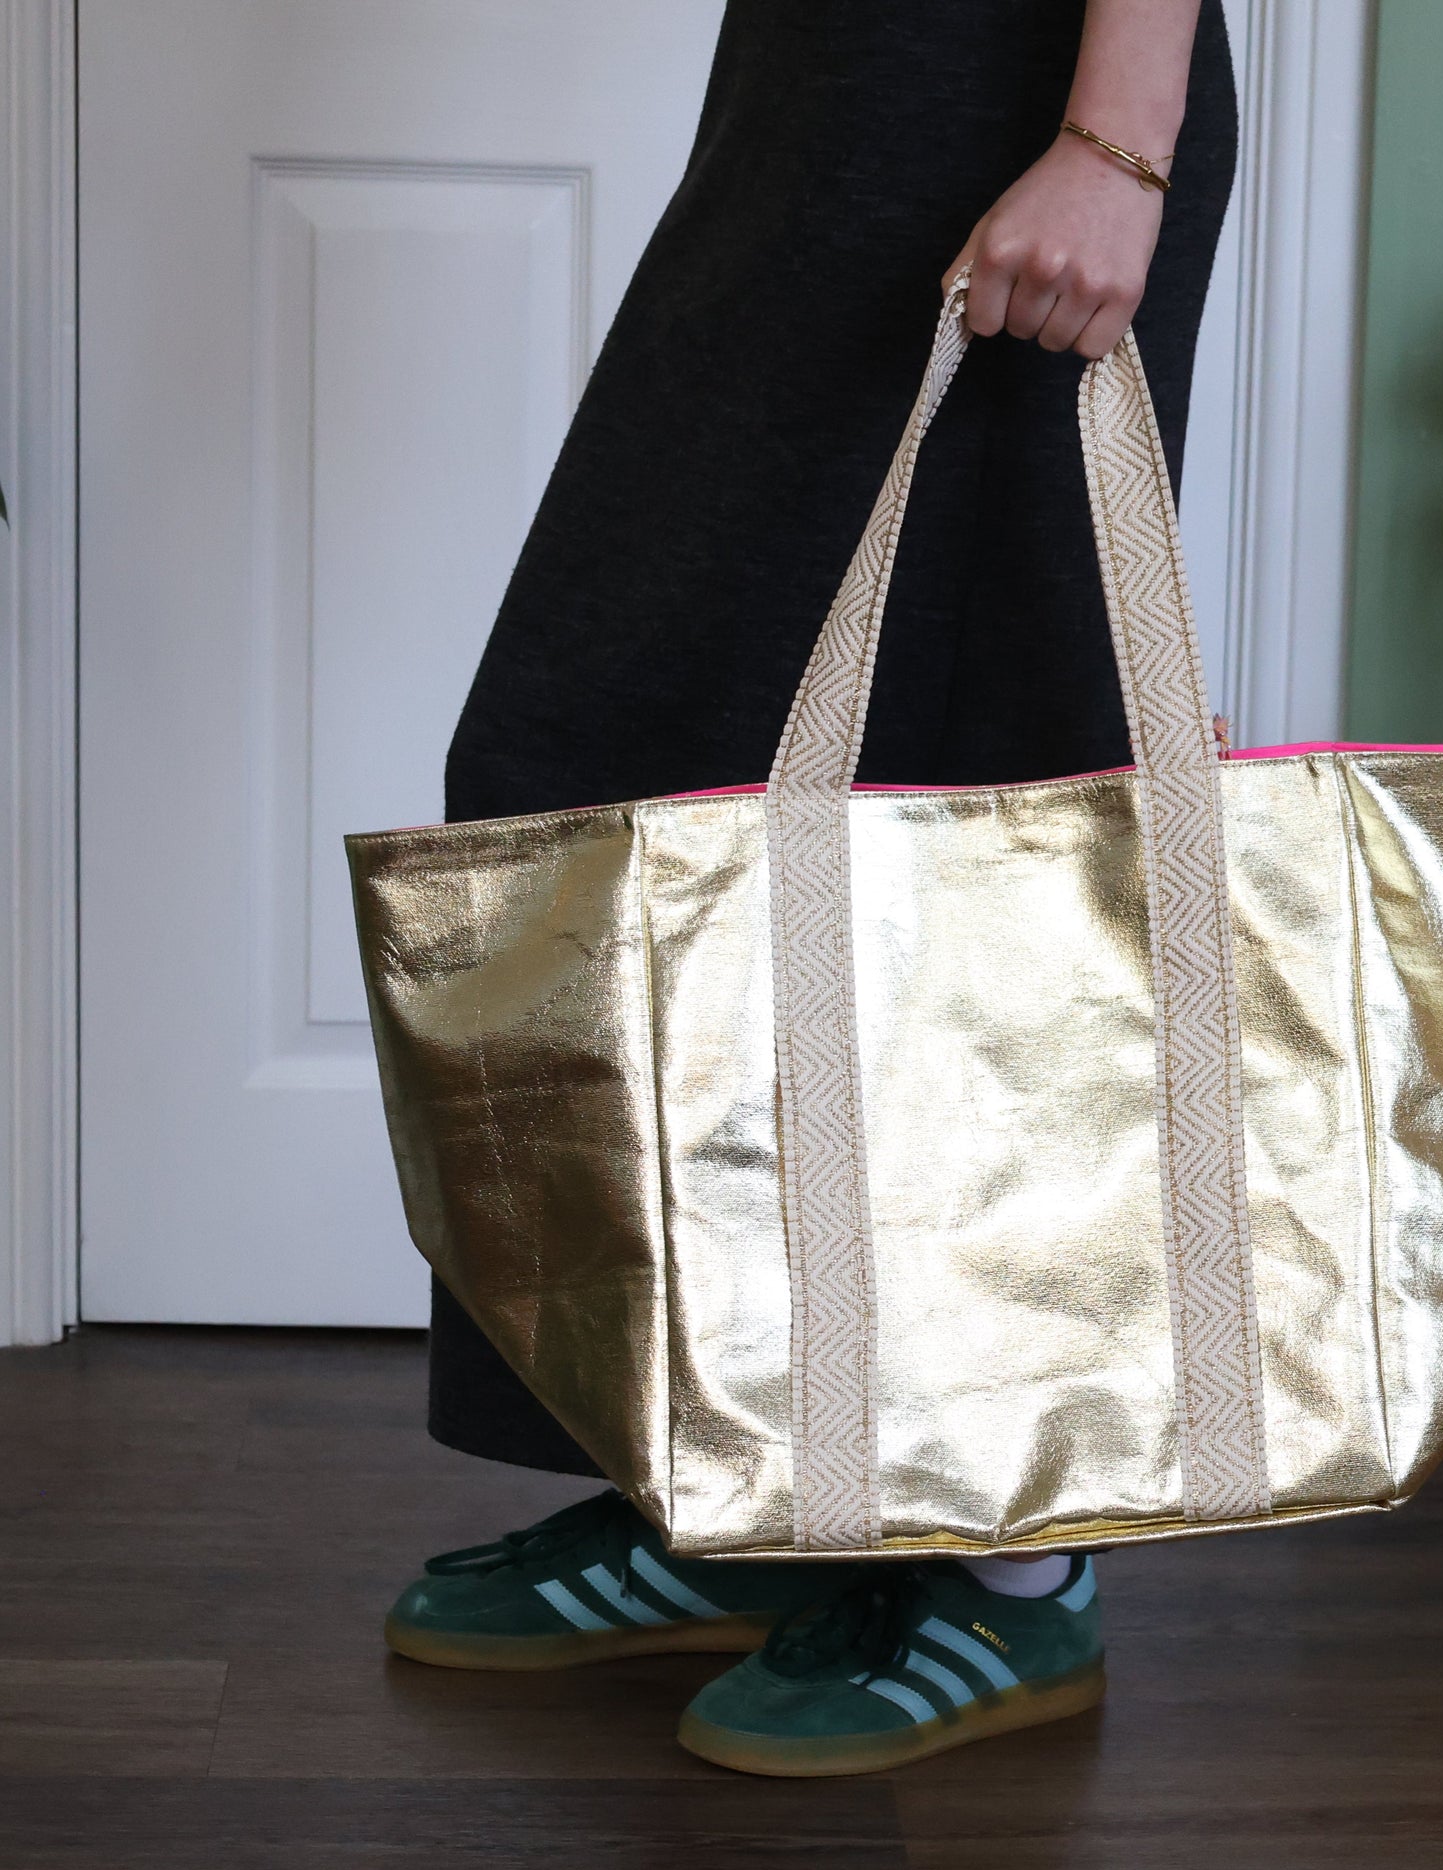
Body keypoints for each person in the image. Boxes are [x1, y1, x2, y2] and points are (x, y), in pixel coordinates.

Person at [384, 0, 1236, 1776]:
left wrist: (1118, 134)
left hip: (1021, 96)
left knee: (991, 812)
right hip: (815, 91)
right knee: (630, 771)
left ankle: (1016, 1569)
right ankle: (728, 1488)